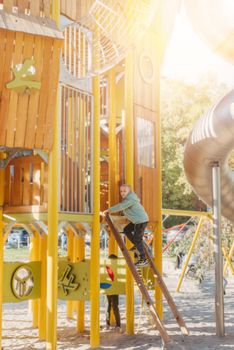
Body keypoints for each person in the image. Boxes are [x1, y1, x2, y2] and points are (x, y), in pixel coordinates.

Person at [105, 184, 149, 267]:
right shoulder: (127, 199)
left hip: (141, 221)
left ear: (129, 191)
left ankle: (144, 259)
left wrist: (109, 210)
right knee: (127, 230)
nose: (122, 193)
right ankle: (137, 245)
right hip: (137, 221)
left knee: (137, 238)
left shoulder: (130, 199)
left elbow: (121, 206)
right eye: (121, 191)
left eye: (125, 191)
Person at [105, 254, 121, 331]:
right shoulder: (117, 268)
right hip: (114, 289)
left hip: (108, 289)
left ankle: (108, 323)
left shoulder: (107, 267)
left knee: (108, 306)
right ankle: (118, 324)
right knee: (115, 306)